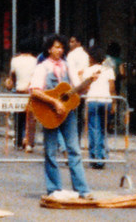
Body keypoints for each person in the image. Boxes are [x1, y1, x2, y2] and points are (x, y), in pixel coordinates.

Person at [29, 34, 97, 199]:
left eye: (61, 47)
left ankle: (82, 190)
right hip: (49, 114)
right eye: (56, 47)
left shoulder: (68, 66)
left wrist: (87, 84)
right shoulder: (42, 67)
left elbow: (75, 88)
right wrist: (54, 102)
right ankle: (53, 188)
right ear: (49, 49)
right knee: (50, 151)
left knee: (74, 149)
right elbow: (35, 90)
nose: (59, 50)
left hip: (68, 114)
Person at [82, 44, 115, 169]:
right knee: (102, 129)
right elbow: (112, 87)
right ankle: (102, 156)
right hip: (106, 100)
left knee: (93, 129)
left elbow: (85, 87)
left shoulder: (88, 70)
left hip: (93, 100)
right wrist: (114, 102)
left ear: (92, 57)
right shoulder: (109, 70)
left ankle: (95, 157)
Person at [6, 40, 38, 152]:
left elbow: (12, 75)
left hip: (19, 90)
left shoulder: (14, 60)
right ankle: (29, 142)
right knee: (30, 118)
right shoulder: (35, 61)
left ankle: (18, 141)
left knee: (18, 117)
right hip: (31, 91)